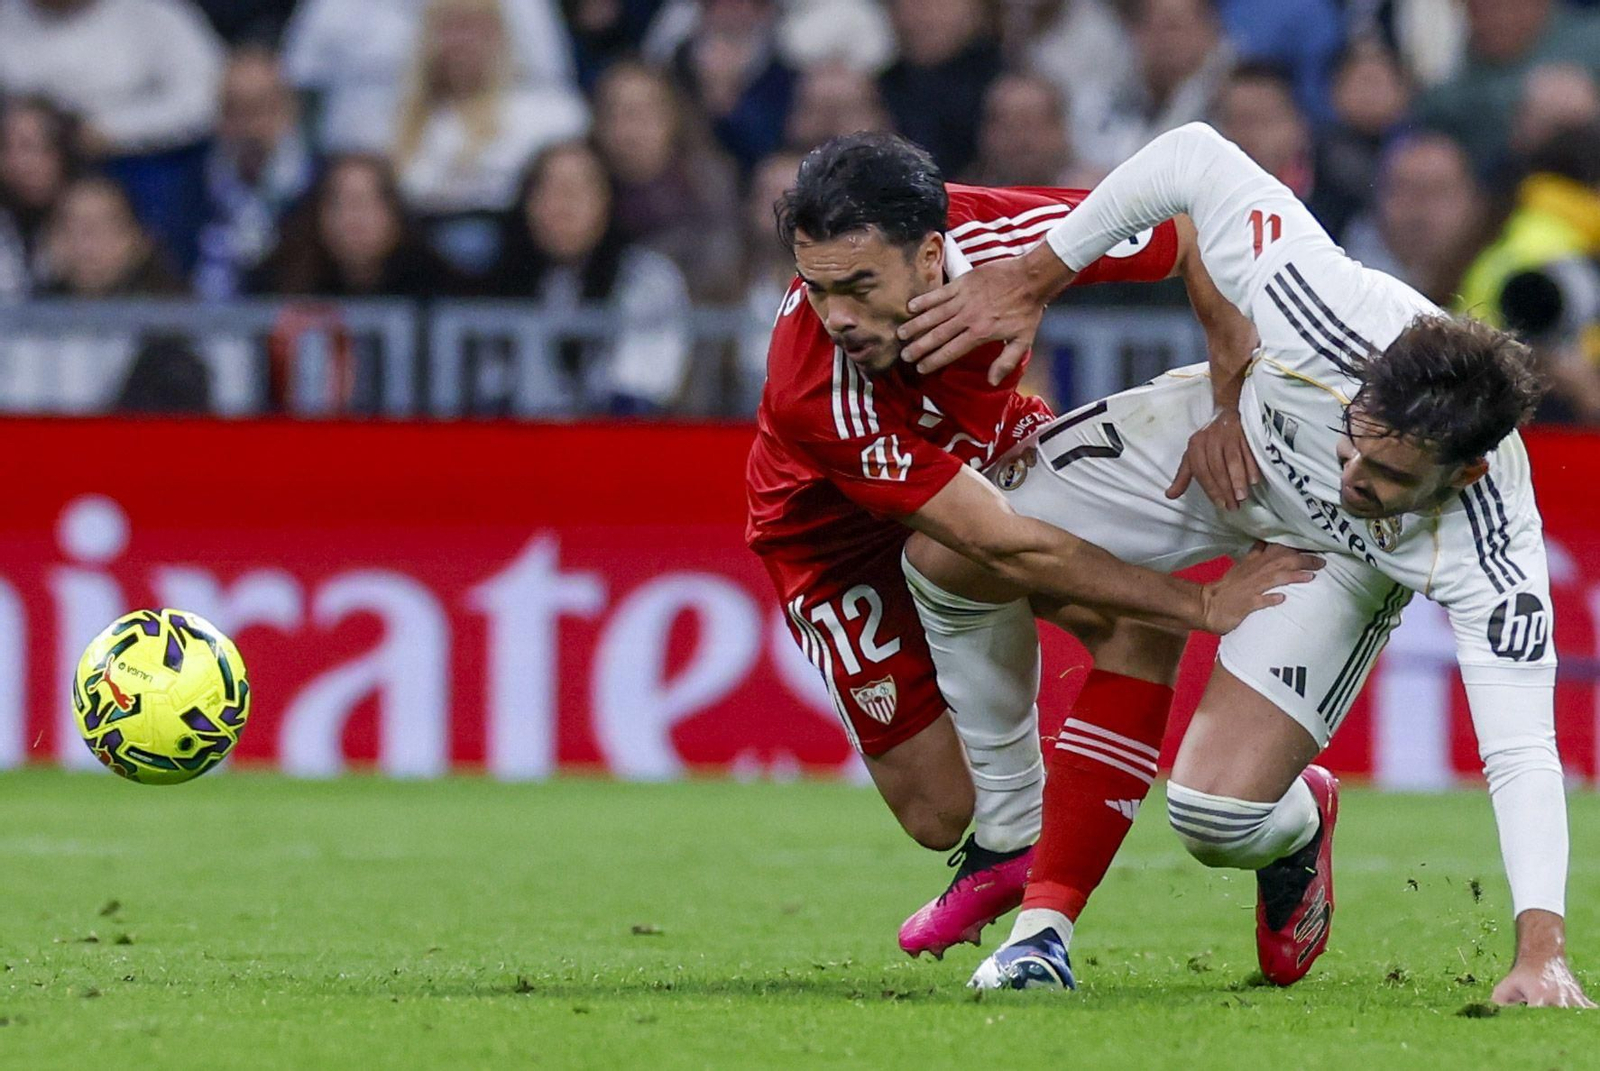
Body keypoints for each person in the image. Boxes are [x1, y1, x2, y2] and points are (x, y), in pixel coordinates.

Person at [895, 121, 1590, 1008]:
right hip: (1219, 447)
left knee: (1213, 819)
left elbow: (1523, 749)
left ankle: (1299, 820)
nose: (1354, 477)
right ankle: (1009, 830)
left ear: (1468, 472)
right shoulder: (1319, 303)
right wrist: (1041, 279)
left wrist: (1542, 952)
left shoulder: (1491, 544)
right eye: (1358, 442)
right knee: (953, 546)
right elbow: (1192, 156)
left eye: (1389, 476)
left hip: (1329, 558)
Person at [747, 131, 1320, 958]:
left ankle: (1260, 823)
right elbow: (1009, 547)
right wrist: (1201, 602)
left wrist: (1229, 394)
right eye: (816, 287)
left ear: (932, 253)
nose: (834, 316)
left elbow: (1191, 228)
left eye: (859, 285)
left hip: (972, 465)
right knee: (938, 809)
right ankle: (1004, 840)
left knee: (1130, 624)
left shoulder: (1002, 241)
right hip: (829, 538)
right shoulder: (814, 390)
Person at [486, 140, 693, 414]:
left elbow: (642, 391)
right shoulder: (501, 281)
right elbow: (492, 387)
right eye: (548, 189)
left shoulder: (648, 278)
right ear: (527, 205)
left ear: (606, 201)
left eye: (578, 189)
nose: (563, 204)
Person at [392, 0, 587, 220]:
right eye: (448, 27)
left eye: (472, 27)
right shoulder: (399, 123)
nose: (461, 42)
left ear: (500, 35)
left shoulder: (544, 115)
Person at [193, 47, 317, 299]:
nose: (248, 127)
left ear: (290, 109)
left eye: (260, 108)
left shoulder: (321, 186)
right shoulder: (192, 186)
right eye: (234, 110)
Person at [251, 154, 459, 298]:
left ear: (394, 213)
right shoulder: (284, 287)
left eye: (365, 202)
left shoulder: (438, 289)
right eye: (339, 203)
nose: (353, 217)